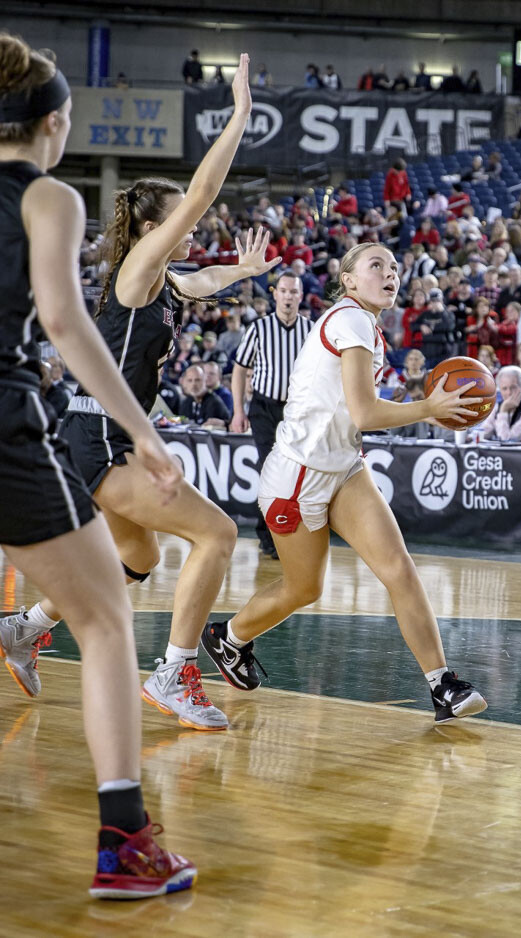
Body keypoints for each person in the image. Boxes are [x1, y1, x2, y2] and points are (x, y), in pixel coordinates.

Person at [2, 56, 280, 732]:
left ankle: (24, 629)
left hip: (95, 433)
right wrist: (240, 116)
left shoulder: (160, 277)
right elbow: (204, 192)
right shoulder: (139, 265)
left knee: (141, 556)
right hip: (99, 435)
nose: (193, 230)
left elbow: (202, 281)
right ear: (161, 225)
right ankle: (174, 672)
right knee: (215, 534)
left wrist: (238, 270)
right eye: (180, 221)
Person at [0, 31, 193, 898]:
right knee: (109, 619)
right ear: (56, 124)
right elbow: (66, 326)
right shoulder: (48, 199)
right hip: (5, 421)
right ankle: (124, 843)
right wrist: (140, 430)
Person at [200, 243, 487, 724]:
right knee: (303, 588)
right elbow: (366, 413)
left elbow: (354, 410)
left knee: (399, 568)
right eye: (377, 265)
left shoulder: (365, 326)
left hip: (343, 467)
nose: (391, 272)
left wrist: (422, 403)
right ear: (348, 280)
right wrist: (429, 409)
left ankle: (443, 686)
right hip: (297, 477)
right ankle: (226, 637)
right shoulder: (349, 319)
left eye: (396, 267)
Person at [230, 271, 313, 558]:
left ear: (300, 296)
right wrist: (238, 411)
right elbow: (240, 370)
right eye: (284, 291)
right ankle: (269, 537)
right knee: (271, 469)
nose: (289, 296)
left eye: (294, 292)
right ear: (275, 294)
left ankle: (290, 534)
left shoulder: (311, 330)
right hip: (264, 408)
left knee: (295, 473)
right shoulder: (258, 328)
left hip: (297, 411)